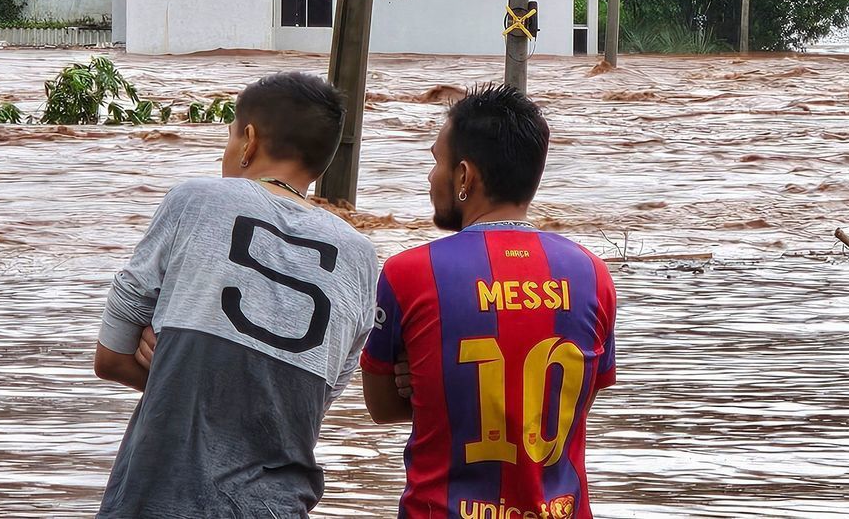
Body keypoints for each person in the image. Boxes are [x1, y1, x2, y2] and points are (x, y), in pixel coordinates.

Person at [92, 71, 379, 519]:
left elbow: (110, 358)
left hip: (161, 495)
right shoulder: (361, 258)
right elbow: (305, 406)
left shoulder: (197, 199)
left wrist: (176, 365)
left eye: (228, 137)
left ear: (248, 140)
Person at [361, 85, 618, 519]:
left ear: (465, 176)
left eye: (435, 162)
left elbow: (382, 407)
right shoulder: (593, 274)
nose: (430, 178)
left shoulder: (409, 273)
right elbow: (576, 401)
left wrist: (430, 379)